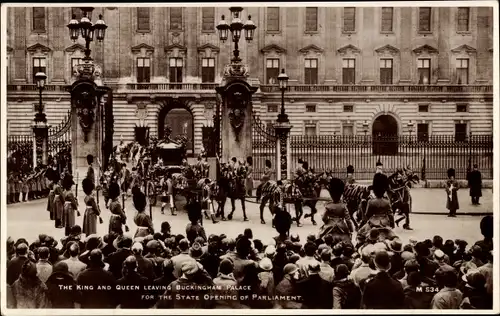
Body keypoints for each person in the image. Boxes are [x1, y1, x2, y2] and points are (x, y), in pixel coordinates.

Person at [358, 173, 395, 240]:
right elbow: (390, 213)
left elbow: (367, 214)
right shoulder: (386, 200)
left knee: (360, 234)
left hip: (373, 223)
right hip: (385, 223)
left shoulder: (370, 199)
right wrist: (392, 224)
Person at [318, 178, 354, 243]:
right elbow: (348, 220)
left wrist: (327, 221)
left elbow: (324, 218)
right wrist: (351, 229)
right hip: (341, 225)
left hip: (329, 225)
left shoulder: (328, 205)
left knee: (319, 237)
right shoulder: (343, 205)